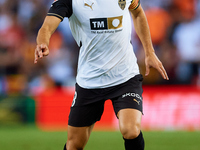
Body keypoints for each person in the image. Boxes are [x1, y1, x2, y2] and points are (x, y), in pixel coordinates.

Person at [34, 0, 169, 150]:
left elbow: (137, 13)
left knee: (130, 130)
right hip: (90, 81)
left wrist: (149, 52)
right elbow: (46, 27)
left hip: (125, 76)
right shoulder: (70, 1)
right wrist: (43, 43)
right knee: (74, 145)